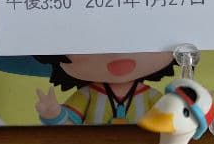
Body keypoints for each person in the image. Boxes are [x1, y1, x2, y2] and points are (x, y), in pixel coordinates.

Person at [33, 52, 176, 126]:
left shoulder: (151, 95)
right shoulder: (88, 94)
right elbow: (70, 124)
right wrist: (54, 114)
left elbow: (170, 120)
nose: (118, 54)